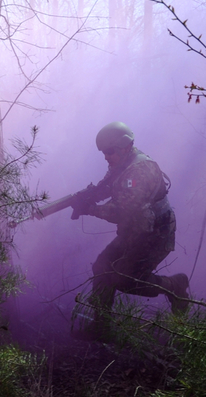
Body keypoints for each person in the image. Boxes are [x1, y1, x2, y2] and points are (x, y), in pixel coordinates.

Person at [72, 122, 189, 334]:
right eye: (103, 152)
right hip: (135, 231)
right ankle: (101, 325)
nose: (106, 156)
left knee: (126, 279)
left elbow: (122, 211)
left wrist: (90, 209)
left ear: (126, 146)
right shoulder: (121, 164)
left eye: (109, 151)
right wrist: (86, 197)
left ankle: (174, 285)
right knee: (102, 267)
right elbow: (107, 186)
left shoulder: (141, 170)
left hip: (156, 234)